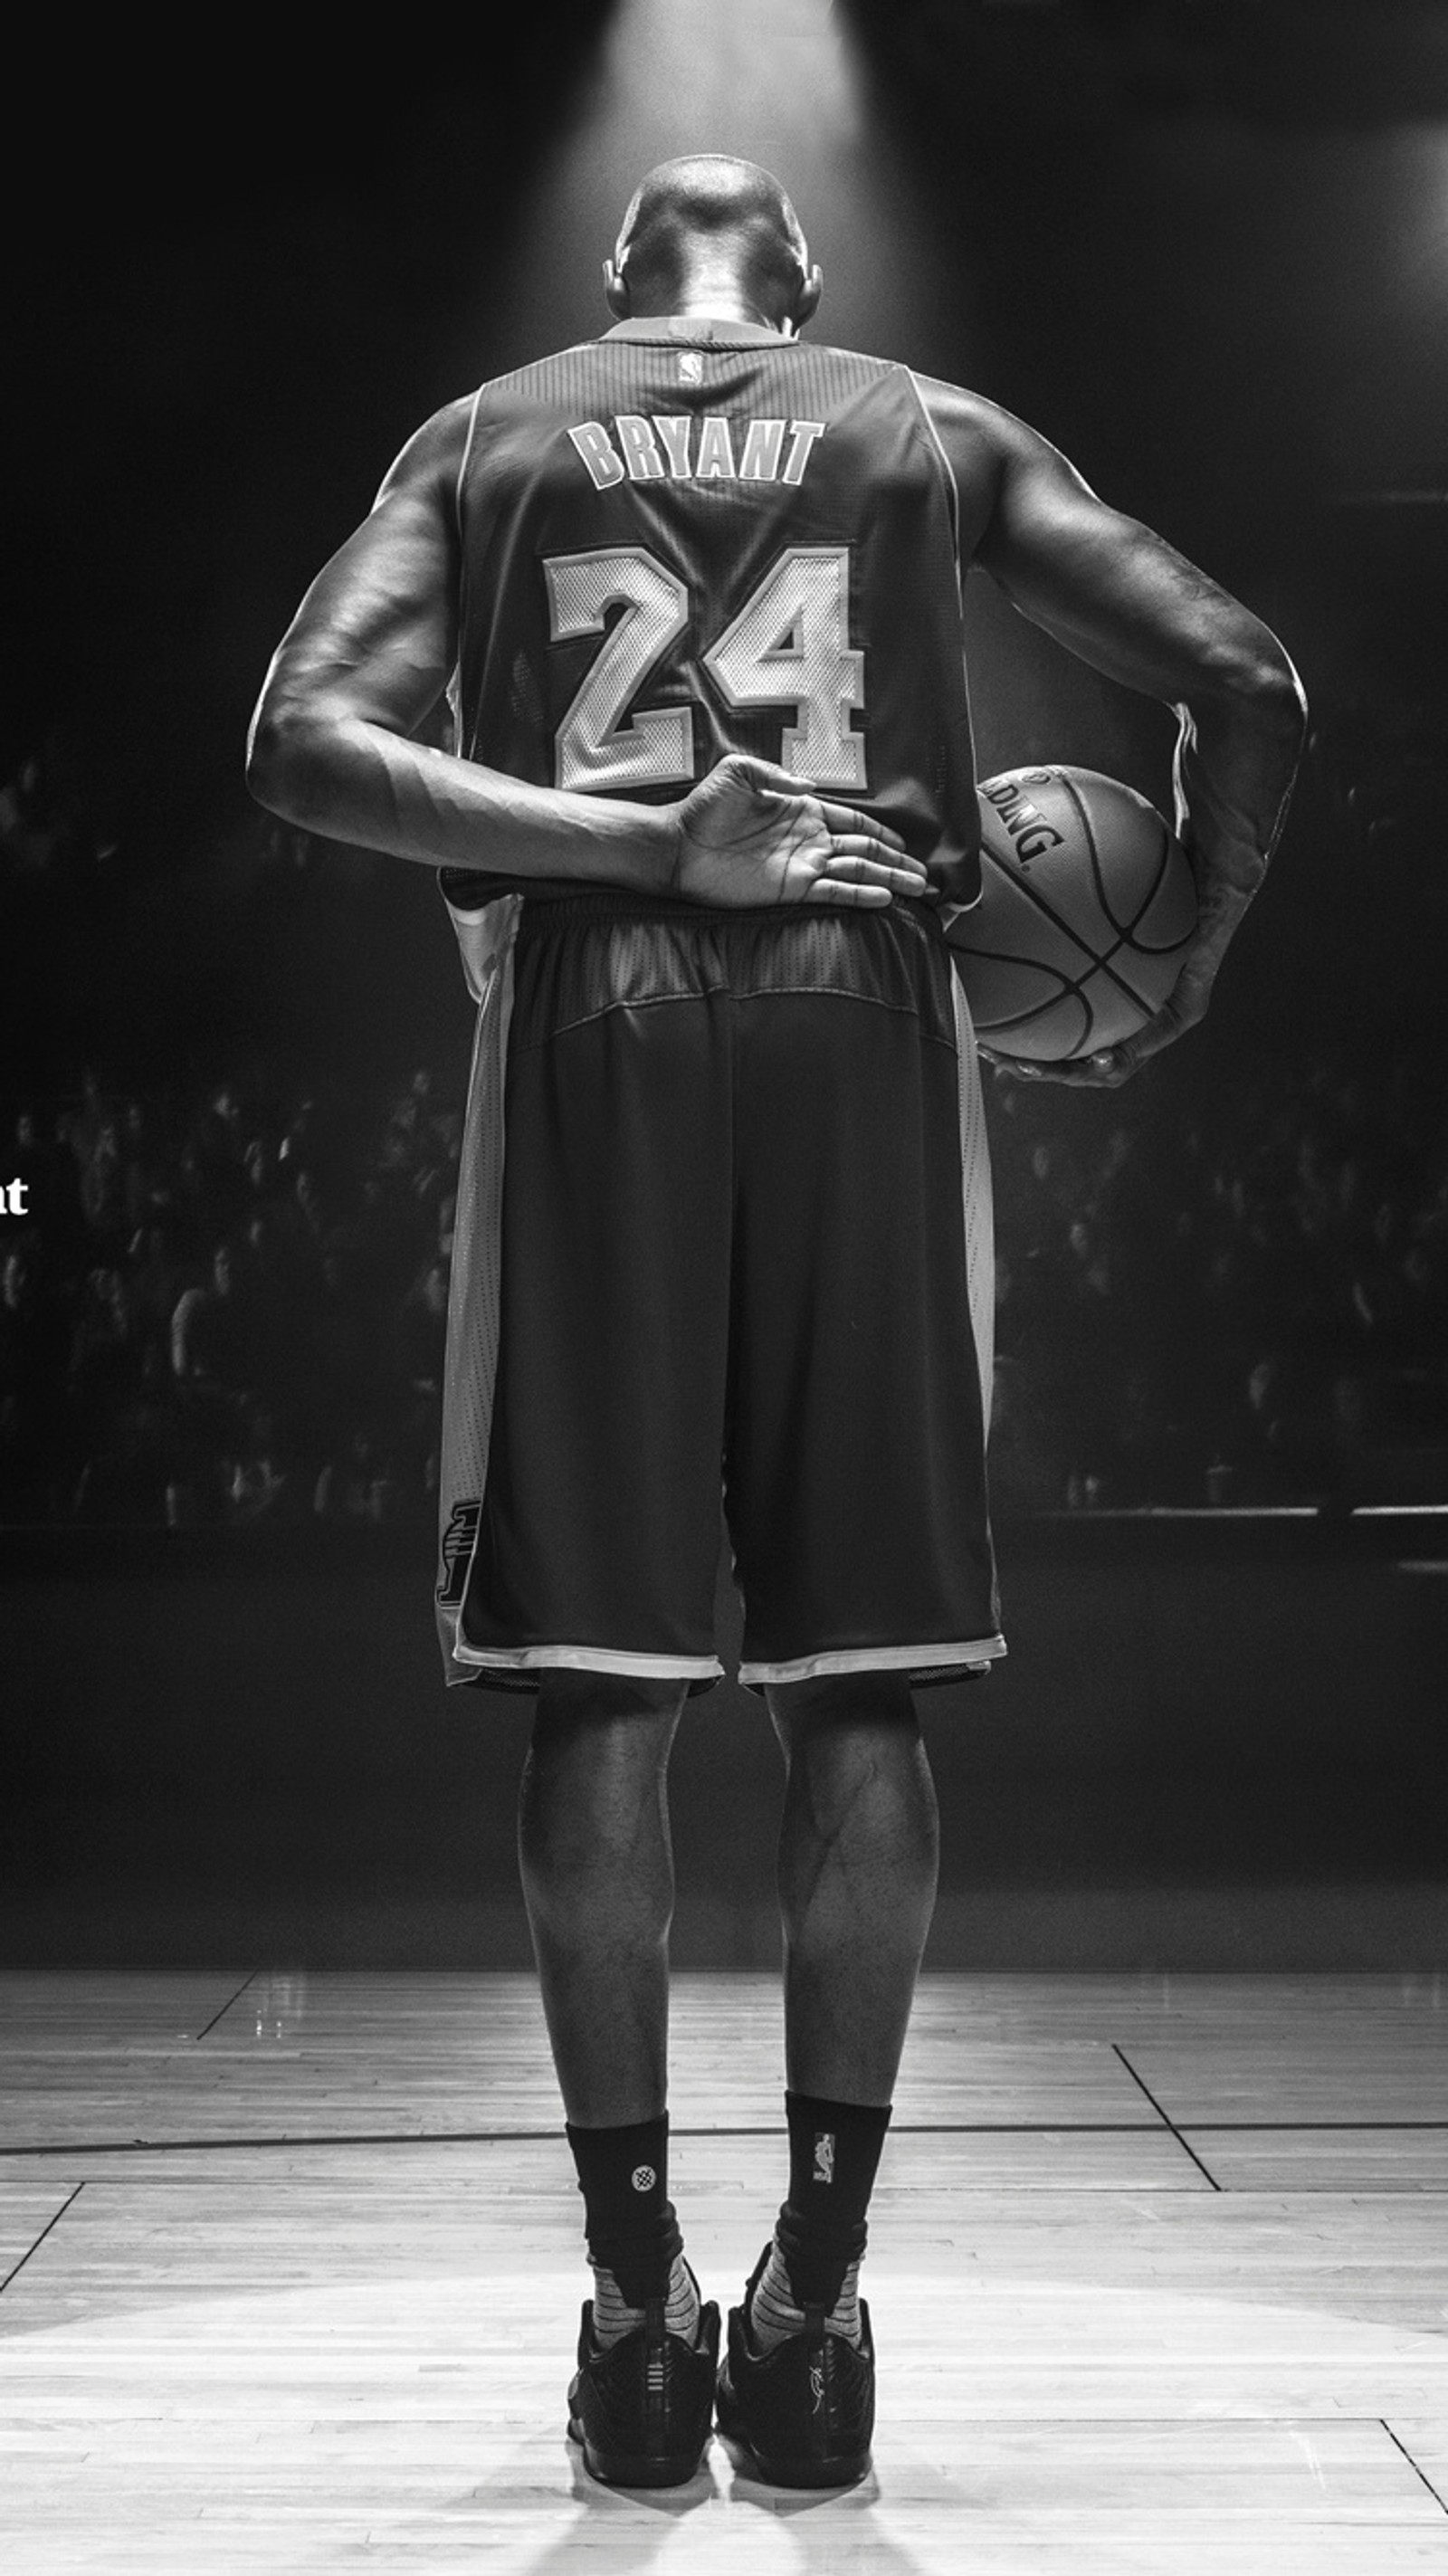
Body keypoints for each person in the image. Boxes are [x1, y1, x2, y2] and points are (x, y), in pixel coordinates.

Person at [247, 154, 1305, 2490]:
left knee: (600, 1696)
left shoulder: (490, 433)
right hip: (872, 1005)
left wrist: (630, 846)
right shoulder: (920, 420)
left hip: (594, 1006)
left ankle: (640, 2317)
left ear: (621, 286)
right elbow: (1249, 679)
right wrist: (1194, 937)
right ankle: (814, 2311)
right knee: (868, 1682)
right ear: (804, 286)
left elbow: (299, 742)